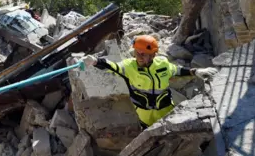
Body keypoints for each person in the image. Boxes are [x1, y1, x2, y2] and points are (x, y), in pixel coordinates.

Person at [80, 35, 216, 129]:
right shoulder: (129, 66)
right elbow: (112, 67)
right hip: (145, 118)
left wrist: (195, 72)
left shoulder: (162, 63)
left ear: (153, 55)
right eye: (136, 52)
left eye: (143, 54)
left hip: (168, 113)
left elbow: (176, 71)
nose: (138, 56)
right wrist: (96, 61)